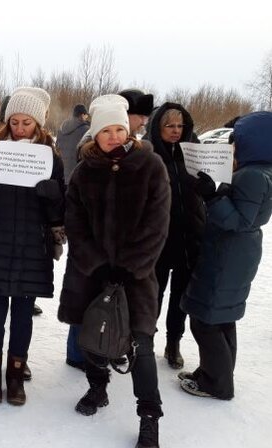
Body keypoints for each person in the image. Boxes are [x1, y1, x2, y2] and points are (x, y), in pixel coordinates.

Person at [58, 94, 171, 448]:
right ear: (94, 132)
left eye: (119, 129)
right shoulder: (84, 171)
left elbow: (157, 225)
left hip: (135, 278)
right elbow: (74, 223)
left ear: (128, 130)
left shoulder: (150, 167)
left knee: (140, 344)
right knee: (91, 335)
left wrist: (128, 267)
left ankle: (149, 416)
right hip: (90, 272)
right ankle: (97, 389)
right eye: (105, 130)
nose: (113, 136)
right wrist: (95, 262)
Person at [0, 87, 64, 406]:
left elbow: (60, 213)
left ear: (39, 123)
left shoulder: (50, 155)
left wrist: (54, 196)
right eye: (15, 121)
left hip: (33, 248)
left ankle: (15, 376)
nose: (20, 128)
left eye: (27, 122)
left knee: (22, 315)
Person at [179, 111, 272, 400]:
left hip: (228, 255)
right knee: (222, 318)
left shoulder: (253, 175)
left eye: (235, 142)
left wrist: (212, 196)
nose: (232, 147)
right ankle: (216, 372)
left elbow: (238, 221)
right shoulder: (262, 170)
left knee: (205, 321)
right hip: (238, 254)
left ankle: (217, 384)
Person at [143, 102, 205, 370]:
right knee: (152, 295)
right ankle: (144, 342)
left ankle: (174, 342)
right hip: (159, 240)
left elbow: (207, 190)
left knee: (180, 297)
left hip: (188, 238)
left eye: (180, 125)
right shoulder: (148, 154)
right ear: (158, 127)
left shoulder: (194, 153)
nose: (176, 131)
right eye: (170, 126)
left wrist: (207, 186)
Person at [57, 104, 89, 184]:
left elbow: (57, 148)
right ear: (82, 114)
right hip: (79, 177)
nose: (87, 118)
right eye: (86, 115)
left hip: (62, 175)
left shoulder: (61, 129)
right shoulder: (87, 131)